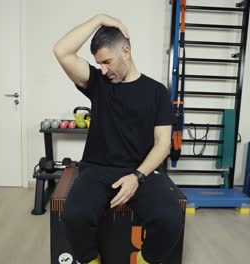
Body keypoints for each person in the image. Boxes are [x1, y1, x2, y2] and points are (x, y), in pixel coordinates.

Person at [53, 14, 183, 264]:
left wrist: (137, 176)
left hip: (141, 171)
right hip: (97, 169)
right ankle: (92, 260)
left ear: (125, 51)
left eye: (106, 61)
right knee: (74, 216)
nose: (103, 69)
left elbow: (163, 143)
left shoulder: (156, 91)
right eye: (98, 63)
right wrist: (99, 18)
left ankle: (143, 261)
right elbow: (62, 51)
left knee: (170, 219)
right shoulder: (98, 83)